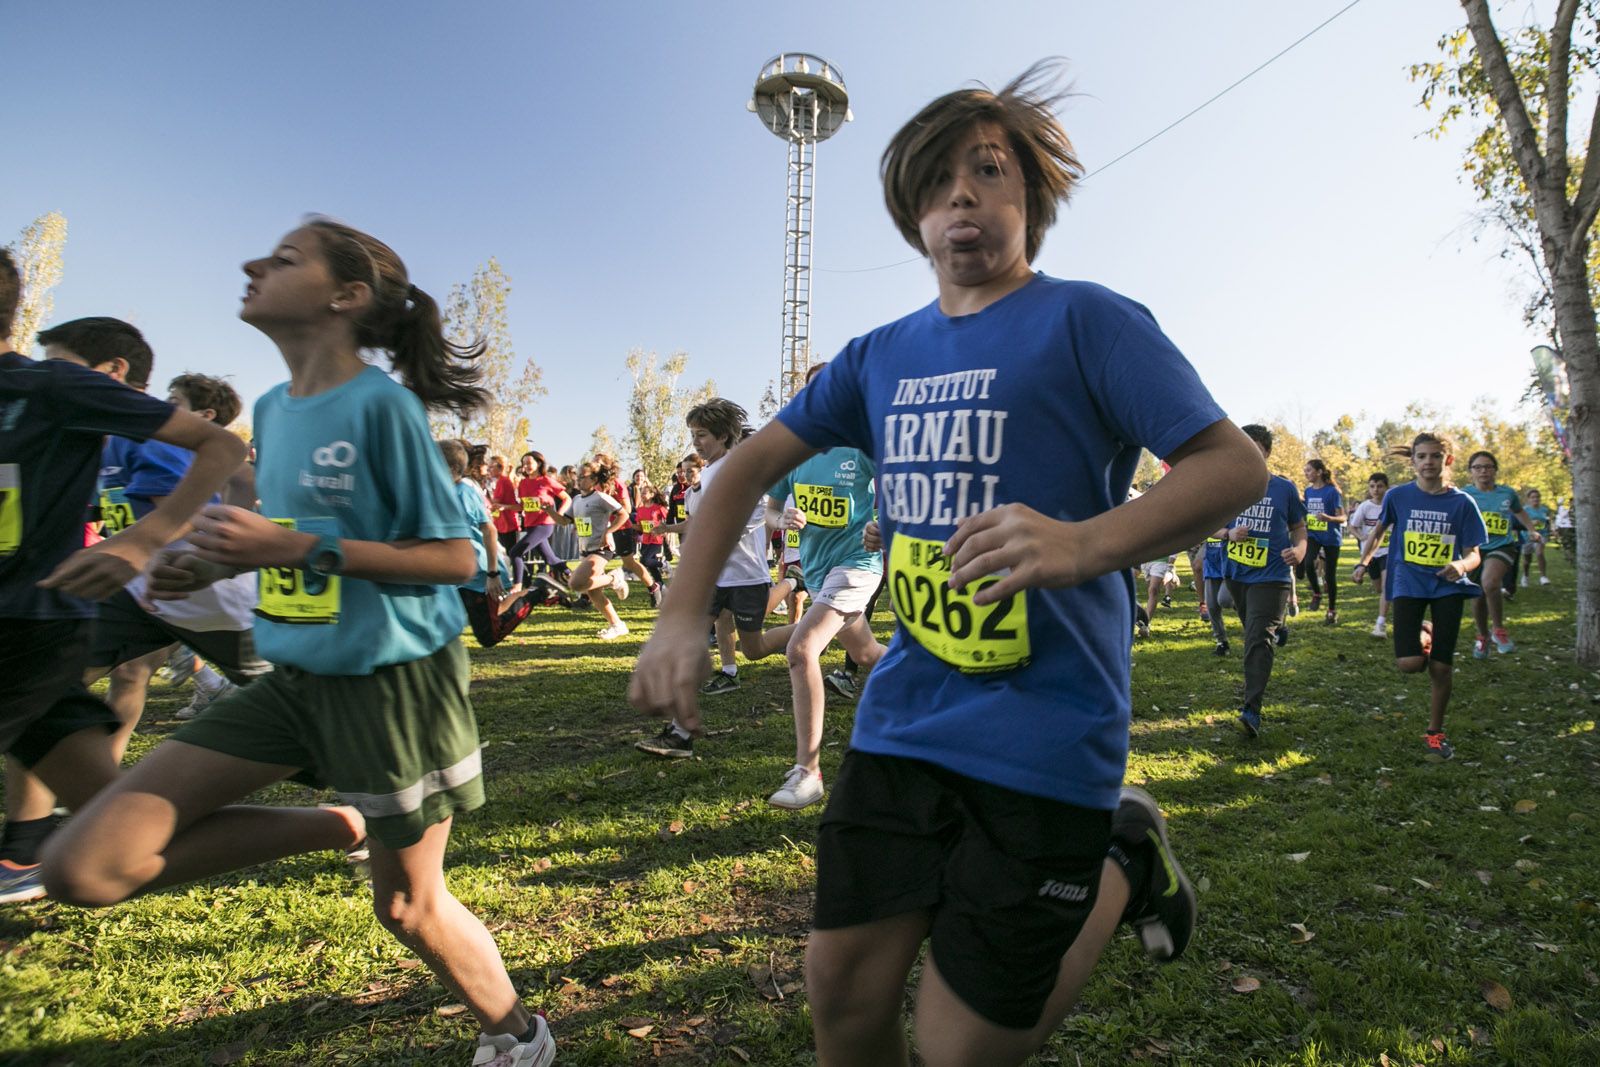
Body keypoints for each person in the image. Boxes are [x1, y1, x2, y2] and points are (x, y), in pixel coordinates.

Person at [629, 63, 1265, 1067]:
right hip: (906, 718)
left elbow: (1232, 466)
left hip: (1047, 727)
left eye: (988, 172)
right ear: (911, 214)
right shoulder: (876, 354)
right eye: (937, 183)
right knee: (842, 993)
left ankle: (1122, 860)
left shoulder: (1087, 320)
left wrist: (1082, 542)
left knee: (960, 1047)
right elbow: (744, 467)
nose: (961, 197)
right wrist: (677, 614)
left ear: (1032, 199)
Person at [40, 219, 556, 1067]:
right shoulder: (275, 411)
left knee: (408, 909)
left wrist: (296, 546)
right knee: (84, 867)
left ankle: (518, 1036)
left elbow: (455, 559)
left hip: (396, 687)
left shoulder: (381, 407)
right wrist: (209, 562)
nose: (252, 262)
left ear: (346, 296)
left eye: (283, 259)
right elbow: (293, 538)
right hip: (293, 680)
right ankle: (339, 823)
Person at [0, 260, 248, 910]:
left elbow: (225, 463)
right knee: (106, 743)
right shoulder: (92, 431)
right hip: (107, 597)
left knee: (274, 690)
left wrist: (145, 540)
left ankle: (356, 776)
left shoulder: (99, 413)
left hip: (185, 589)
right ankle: (29, 845)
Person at [760, 363, 888, 810]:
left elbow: (898, 492)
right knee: (866, 654)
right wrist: (782, 518)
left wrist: (881, 525)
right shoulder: (795, 453)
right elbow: (770, 510)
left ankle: (808, 772)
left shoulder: (863, 443)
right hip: (816, 570)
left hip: (858, 565)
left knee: (801, 649)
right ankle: (933, 685)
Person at [637, 400, 788, 758]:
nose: (696, 443)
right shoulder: (708, 473)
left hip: (747, 576)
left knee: (754, 649)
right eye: (693, 435)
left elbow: (761, 512)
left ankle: (811, 630)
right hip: (713, 576)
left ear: (722, 435)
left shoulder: (739, 469)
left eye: (702, 435)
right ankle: (680, 734)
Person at [1353, 433, 1485, 761]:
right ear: (1412, 461)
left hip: (1447, 586)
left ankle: (1435, 733)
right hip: (1408, 582)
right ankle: (1427, 631)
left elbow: (1474, 554)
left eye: (1435, 456)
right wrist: (1363, 562)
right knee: (1409, 664)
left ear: (1447, 460)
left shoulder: (1462, 503)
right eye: (1422, 456)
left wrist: (1461, 565)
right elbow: (1378, 532)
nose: (1428, 462)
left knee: (1440, 667)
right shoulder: (1398, 496)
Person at [1223, 424, 1307, 738]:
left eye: (1255, 449)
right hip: (1237, 575)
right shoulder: (1226, 485)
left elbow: (1299, 528)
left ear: (1267, 452)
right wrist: (1228, 533)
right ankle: (1278, 624)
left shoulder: (1284, 489)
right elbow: (1207, 525)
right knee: (1254, 632)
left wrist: (1299, 550)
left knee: (1257, 640)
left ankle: (1251, 710)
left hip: (1273, 575)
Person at [439, 439, 544, 648]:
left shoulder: (464, 491)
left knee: (489, 635)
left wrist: (492, 573)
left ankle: (540, 591)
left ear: (450, 468)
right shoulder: (443, 491)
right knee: (447, 624)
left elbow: (489, 529)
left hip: (478, 572)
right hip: (456, 572)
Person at [1460, 451, 1542, 656]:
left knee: (1490, 582)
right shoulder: (1464, 495)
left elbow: (1519, 511)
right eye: (1478, 467)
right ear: (1471, 471)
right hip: (1473, 549)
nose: (1483, 471)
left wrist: (1531, 530)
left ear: (1495, 470)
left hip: (1502, 546)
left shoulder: (1507, 493)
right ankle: (1482, 636)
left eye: (1488, 466)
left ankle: (1498, 630)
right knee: (1477, 594)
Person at [551, 460, 631, 639]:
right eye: (577, 476)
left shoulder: (600, 497)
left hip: (601, 549)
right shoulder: (576, 499)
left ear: (594, 479)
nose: (578, 480)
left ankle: (614, 578)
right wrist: (549, 510)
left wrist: (608, 532)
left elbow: (624, 514)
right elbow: (564, 521)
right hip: (585, 550)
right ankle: (617, 625)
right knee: (593, 592)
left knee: (576, 584)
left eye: (583, 477)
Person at [510, 451, 571, 590]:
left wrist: (559, 514)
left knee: (515, 552)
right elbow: (522, 506)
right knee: (550, 559)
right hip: (530, 525)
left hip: (544, 525)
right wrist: (504, 507)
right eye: (523, 464)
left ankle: (517, 587)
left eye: (529, 463)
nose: (525, 466)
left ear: (538, 463)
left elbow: (567, 498)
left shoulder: (546, 481)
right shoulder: (523, 483)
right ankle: (573, 577)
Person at [1347, 472, 1393, 637]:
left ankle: (1380, 624)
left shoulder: (1391, 505)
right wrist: (1361, 537)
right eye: (1372, 486)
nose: (1376, 490)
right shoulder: (1365, 506)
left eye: (1380, 486)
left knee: (1387, 587)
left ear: (1386, 488)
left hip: (1388, 551)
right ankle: (1361, 571)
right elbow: (1352, 526)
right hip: (1370, 553)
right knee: (1379, 588)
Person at [1301, 458, 1345, 625]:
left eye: (1309, 470)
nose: (1306, 474)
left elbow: (1343, 517)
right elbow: (1307, 513)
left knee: (1330, 575)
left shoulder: (1332, 492)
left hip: (1331, 537)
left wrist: (1329, 518)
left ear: (1319, 472)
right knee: (1308, 563)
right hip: (1314, 535)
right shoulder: (1308, 491)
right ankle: (1317, 593)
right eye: (1305, 471)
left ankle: (1332, 610)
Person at [1521, 487, 1552, 586]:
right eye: (1533, 497)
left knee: (1539, 553)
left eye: (1537, 497)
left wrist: (1551, 530)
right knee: (1527, 560)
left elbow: (1548, 522)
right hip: (1527, 536)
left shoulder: (1544, 509)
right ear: (1528, 499)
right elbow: (1520, 523)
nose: (1535, 499)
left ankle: (1543, 577)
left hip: (1541, 535)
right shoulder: (1524, 510)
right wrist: (1531, 523)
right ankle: (1525, 576)